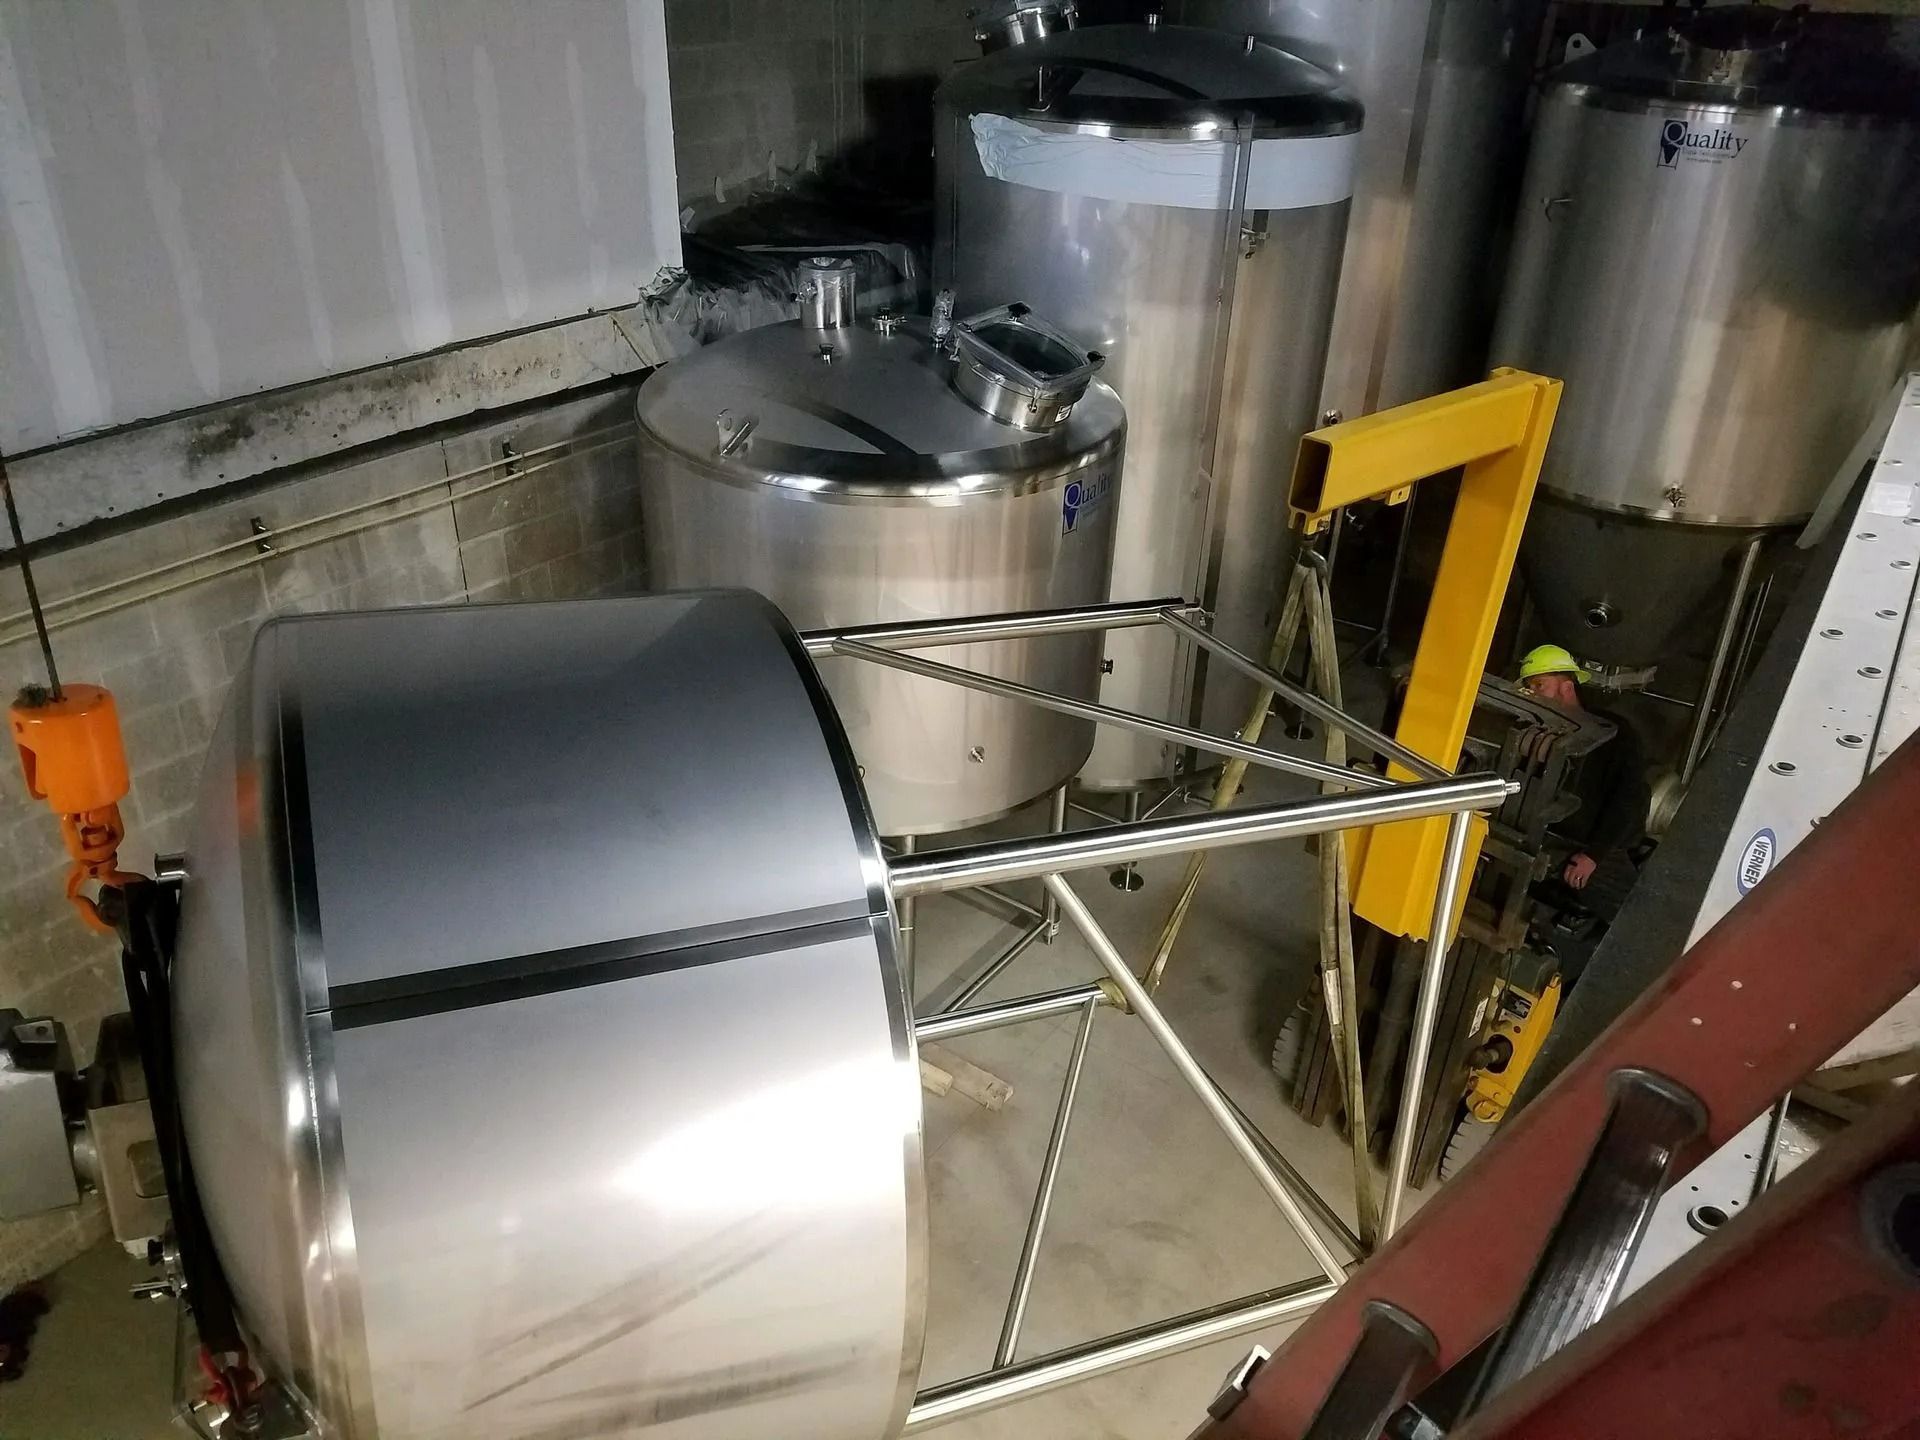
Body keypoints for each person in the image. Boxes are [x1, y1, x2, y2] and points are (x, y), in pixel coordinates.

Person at [1517, 644, 1650, 897]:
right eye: (1529, 687)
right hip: (1546, 841)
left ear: (1567, 687)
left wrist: (1593, 855)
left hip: (1595, 851)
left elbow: (1628, 799)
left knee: (1630, 909)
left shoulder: (1613, 733)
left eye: (1539, 685)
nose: (1531, 694)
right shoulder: (1537, 733)